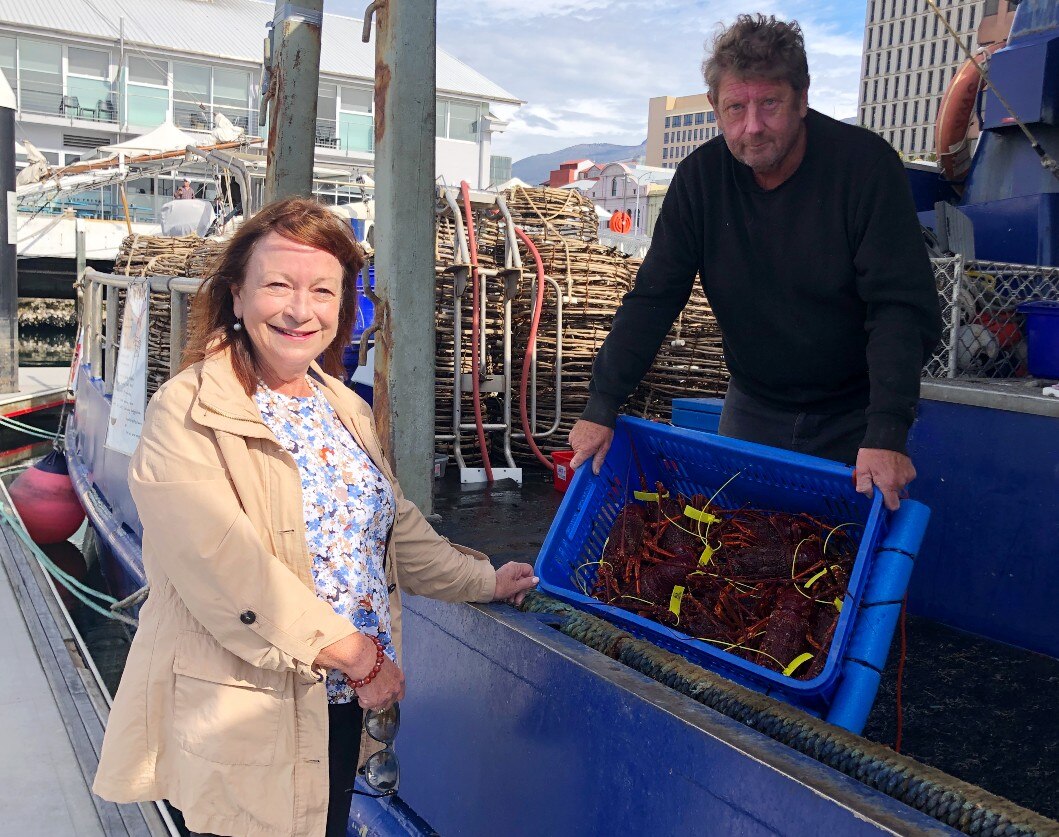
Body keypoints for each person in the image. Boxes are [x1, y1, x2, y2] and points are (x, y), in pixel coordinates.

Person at [92, 198, 538, 836]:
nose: (301, 310)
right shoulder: (185, 411)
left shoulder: (340, 406)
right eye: (277, 285)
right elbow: (224, 566)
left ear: (343, 308)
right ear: (237, 297)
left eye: (323, 291)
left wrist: (484, 580)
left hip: (333, 703)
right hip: (243, 707)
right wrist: (357, 656)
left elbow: (392, 526)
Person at [569, 14, 941, 511]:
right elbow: (653, 299)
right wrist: (601, 405)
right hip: (753, 403)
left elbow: (898, 306)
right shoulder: (700, 180)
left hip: (856, 411)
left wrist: (888, 430)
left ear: (802, 98)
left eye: (770, 104)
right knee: (737, 552)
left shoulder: (866, 167)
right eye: (736, 107)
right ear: (715, 108)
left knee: (839, 557)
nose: (752, 127)